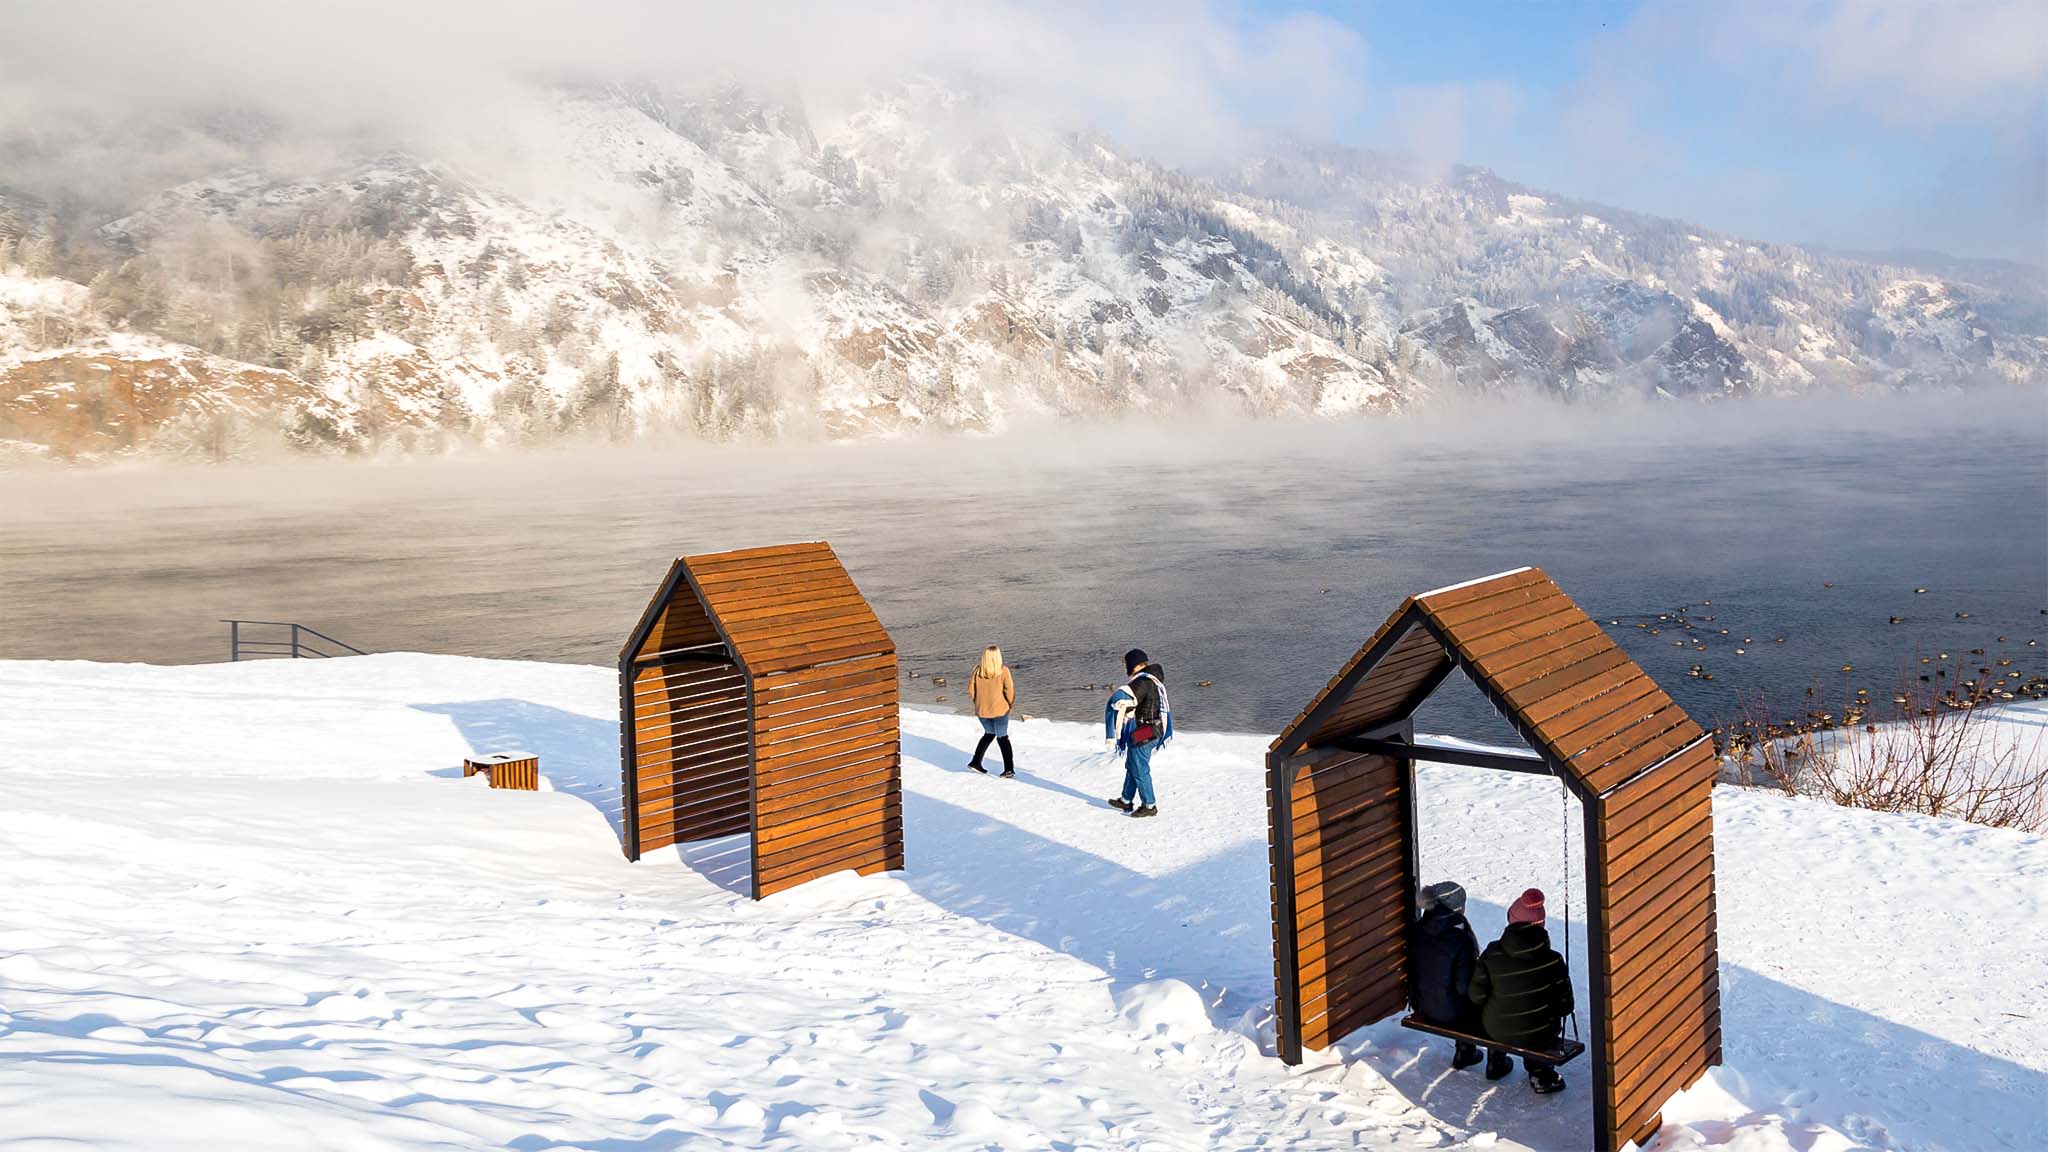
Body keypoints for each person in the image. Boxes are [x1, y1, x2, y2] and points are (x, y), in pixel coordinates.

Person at [1469, 887, 1574, 1094]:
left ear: (1511, 921)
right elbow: (1566, 1005)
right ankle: (1540, 1072)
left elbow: (1476, 996)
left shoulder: (1492, 953)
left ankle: (1496, 1061)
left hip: (1496, 1029)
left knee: (1497, 1009)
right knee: (1536, 1024)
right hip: (1540, 1033)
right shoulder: (1553, 960)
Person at [1411, 880, 1485, 1070]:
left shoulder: (1420, 929)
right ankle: (1478, 1054)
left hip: (1424, 1005)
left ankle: (1466, 1051)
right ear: (1459, 908)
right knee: (1485, 999)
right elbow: (1465, 987)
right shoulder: (1459, 939)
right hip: (1449, 1013)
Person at [1104, 648, 1171, 818]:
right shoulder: (1153, 679)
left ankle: (1150, 805)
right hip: (1151, 729)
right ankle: (1126, 800)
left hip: (1147, 731)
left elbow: (1126, 698)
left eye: (1126, 664)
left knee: (1139, 768)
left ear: (1133, 664)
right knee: (1132, 763)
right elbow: (1143, 703)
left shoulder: (1142, 682)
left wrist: (1116, 702)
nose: (1125, 667)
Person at [966, 645, 1017, 778]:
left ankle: (975, 762)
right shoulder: (1003, 670)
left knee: (989, 734)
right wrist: (1009, 705)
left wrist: (978, 703)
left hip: (982, 711)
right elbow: (1009, 691)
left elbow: (971, 691)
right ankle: (1009, 769)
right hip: (1000, 711)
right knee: (1003, 737)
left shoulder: (977, 671)